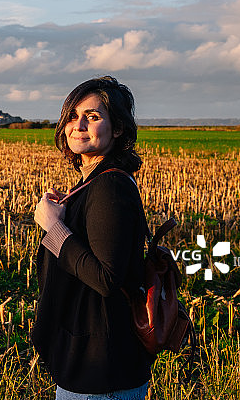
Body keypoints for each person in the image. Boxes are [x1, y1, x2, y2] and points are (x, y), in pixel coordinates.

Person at [31, 76, 153, 400]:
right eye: (73, 115)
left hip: (101, 372)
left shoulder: (109, 187)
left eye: (93, 116)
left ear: (118, 130)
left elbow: (105, 277)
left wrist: (53, 228)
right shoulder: (93, 183)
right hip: (93, 363)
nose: (78, 124)